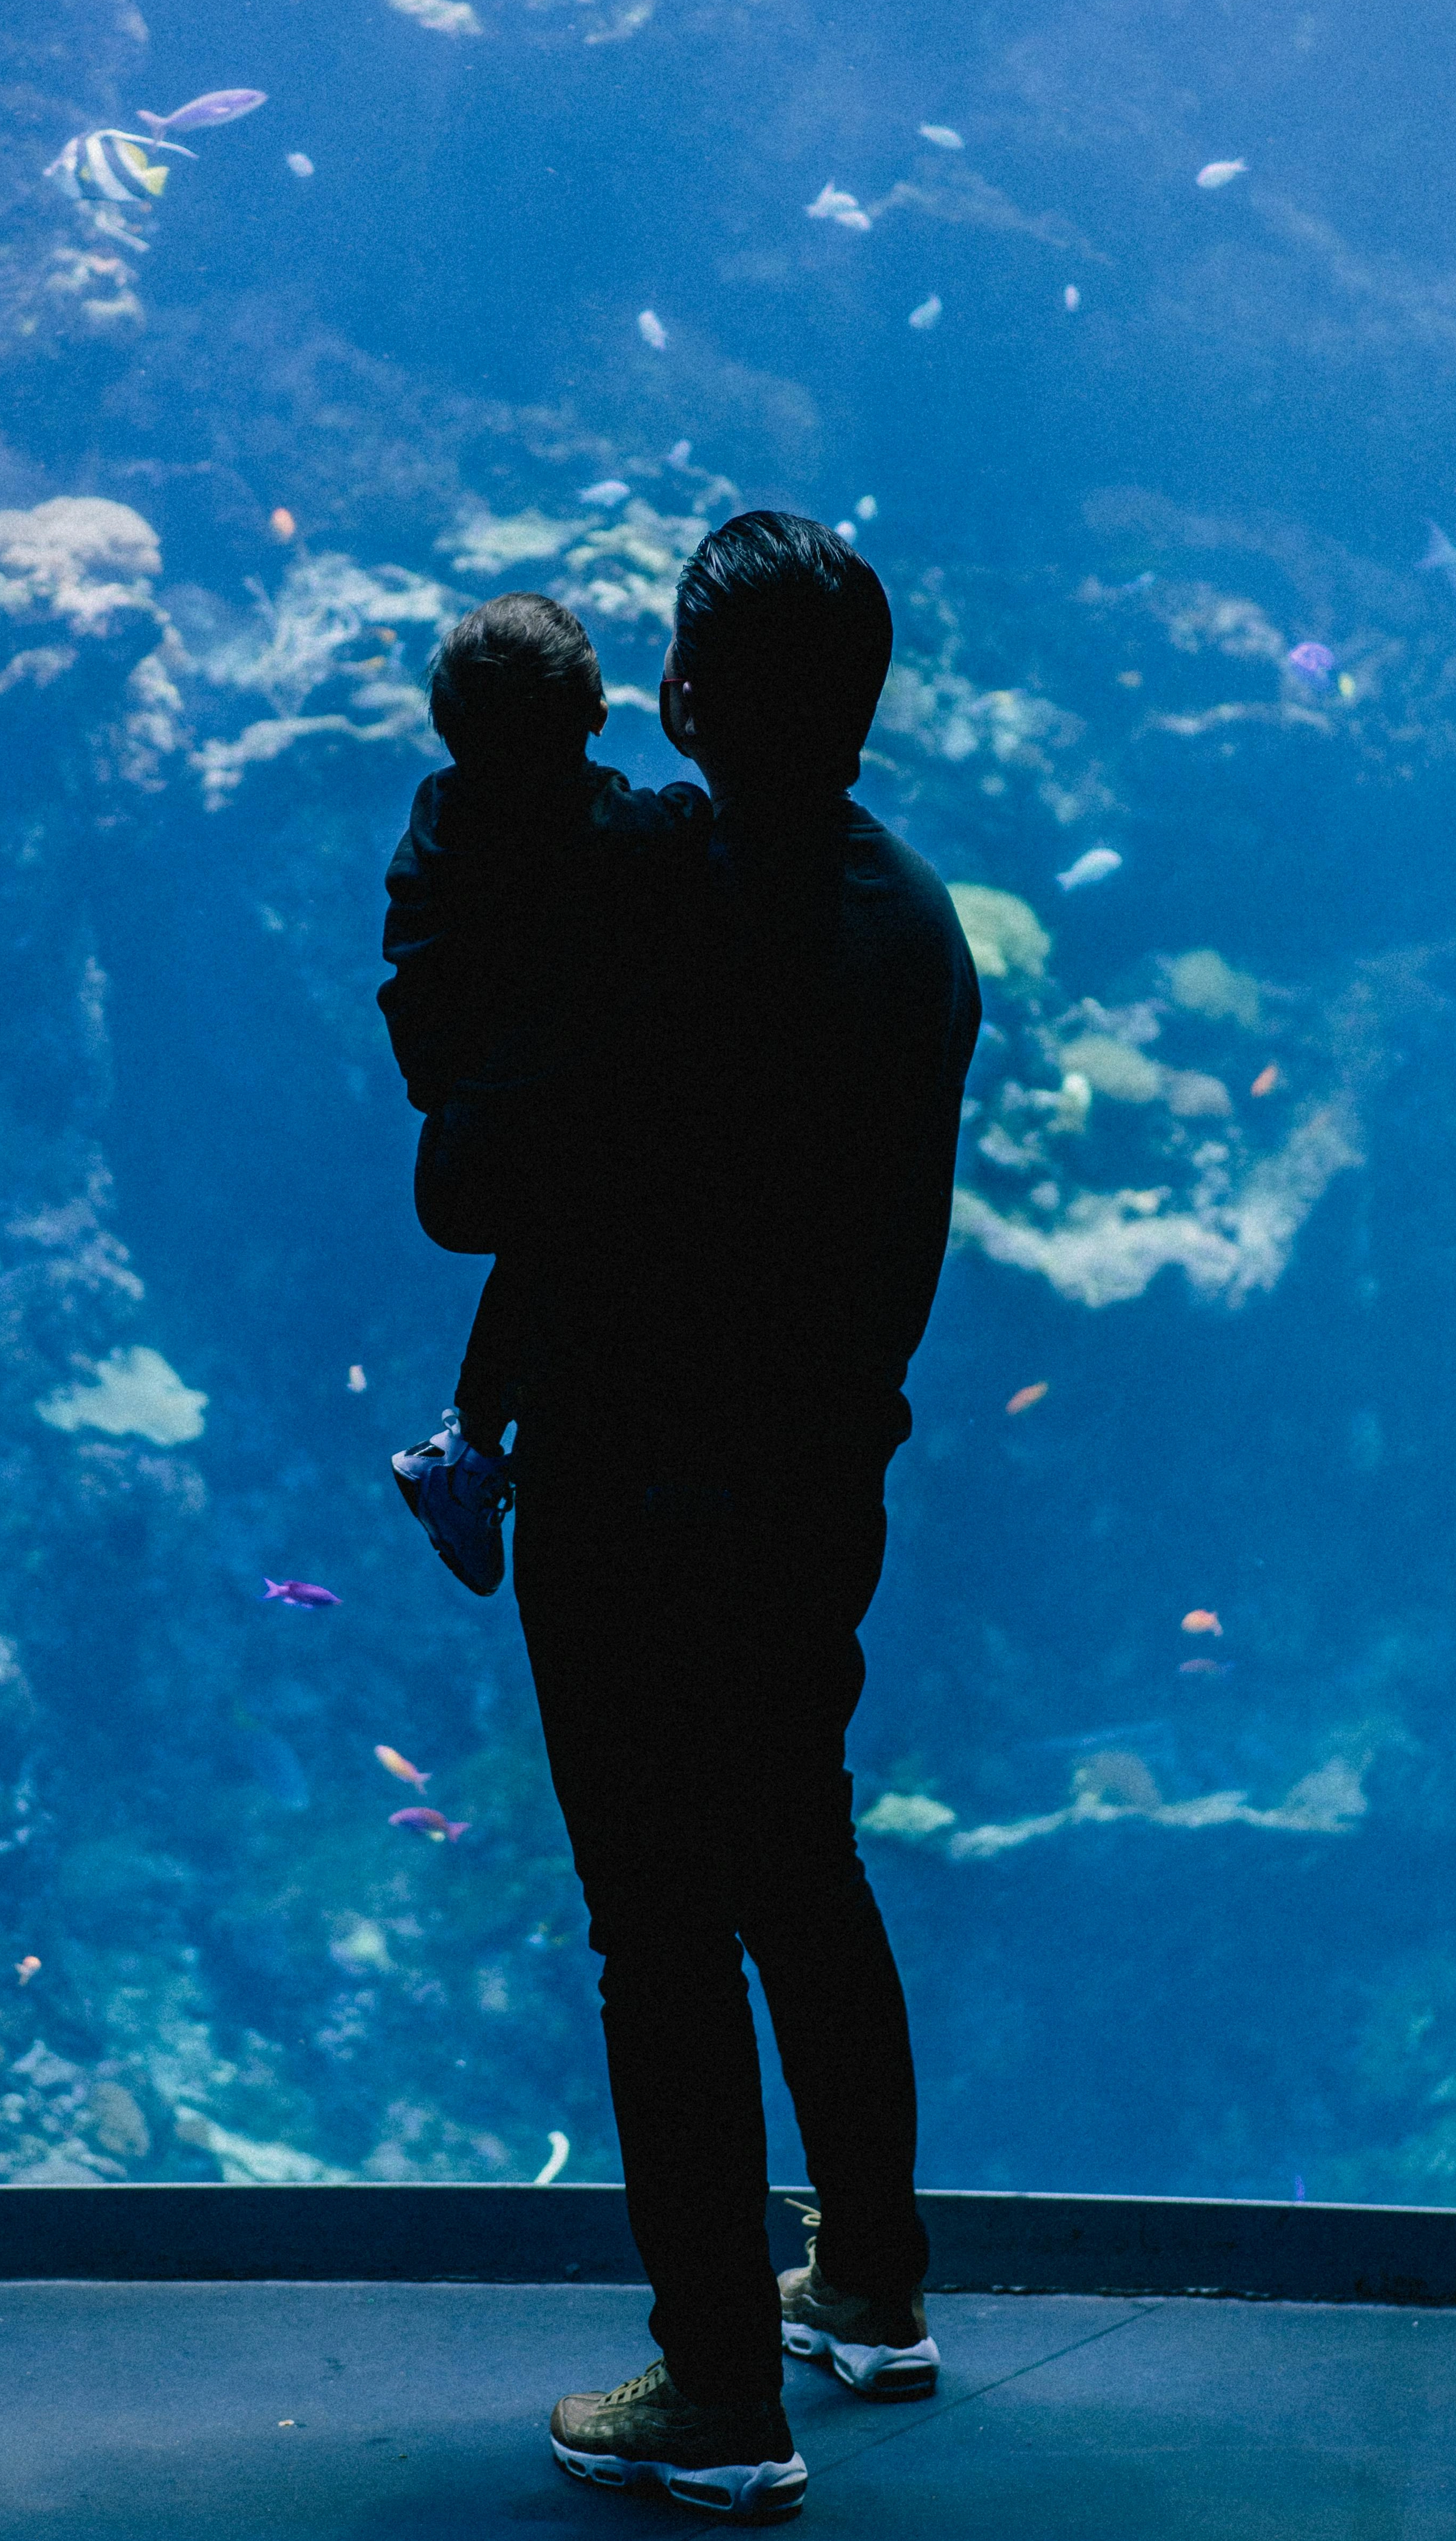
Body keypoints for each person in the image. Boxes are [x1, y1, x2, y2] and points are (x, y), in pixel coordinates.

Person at [510, 512, 981, 2521]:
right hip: (820, 1477)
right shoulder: (919, 920)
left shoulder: (654, 899)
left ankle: (720, 2392)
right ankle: (870, 2287)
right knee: (799, 1855)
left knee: (657, 1932)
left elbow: (483, 1182)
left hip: (635, 1483)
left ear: (685, 696)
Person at [377, 591, 709, 1596]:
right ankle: (466, 1451)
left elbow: (414, 989)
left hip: (459, 1151)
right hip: (554, 1163)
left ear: (446, 723)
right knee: (579, 1208)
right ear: (597, 712)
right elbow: (693, 822)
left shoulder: (440, 818)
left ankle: (466, 1449)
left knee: (550, 1224)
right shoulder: (626, 838)